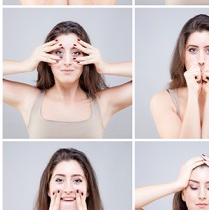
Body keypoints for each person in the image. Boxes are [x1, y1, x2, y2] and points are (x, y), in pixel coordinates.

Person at [3, 21, 132, 138]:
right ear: (47, 58)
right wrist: (25, 64)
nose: (67, 62)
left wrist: (105, 67)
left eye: (76, 52)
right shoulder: (29, 99)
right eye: (59, 52)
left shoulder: (103, 102)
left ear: (88, 58)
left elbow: (147, 71)